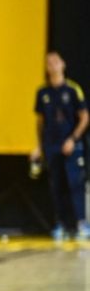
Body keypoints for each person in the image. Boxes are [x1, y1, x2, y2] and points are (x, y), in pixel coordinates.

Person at [31, 51, 89, 241]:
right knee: (57, 186)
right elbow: (40, 122)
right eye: (49, 63)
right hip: (51, 146)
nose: (53, 65)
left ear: (63, 64)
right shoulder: (43, 92)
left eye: (56, 61)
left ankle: (81, 223)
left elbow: (84, 117)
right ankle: (61, 224)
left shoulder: (73, 89)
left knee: (75, 183)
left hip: (71, 145)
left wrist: (73, 139)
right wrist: (39, 146)